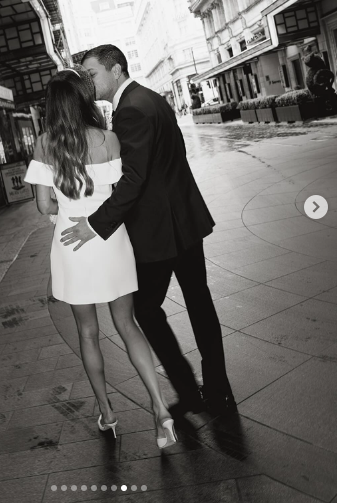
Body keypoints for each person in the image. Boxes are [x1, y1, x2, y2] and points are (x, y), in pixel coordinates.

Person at [60, 45, 237, 417]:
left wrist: (95, 224)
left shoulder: (130, 111)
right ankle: (218, 390)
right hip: (185, 221)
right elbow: (171, 157)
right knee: (200, 305)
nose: (89, 83)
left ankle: (188, 390)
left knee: (144, 309)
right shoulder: (152, 99)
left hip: (159, 232)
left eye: (92, 74)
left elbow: (134, 179)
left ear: (116, 70)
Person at [24, 65, 177, 449]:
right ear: (83, 99)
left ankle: (108, 412)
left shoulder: (45, 144)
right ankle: (160, 409)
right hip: (110, 239)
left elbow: (44, 206)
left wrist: (64, 206)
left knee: (88, 332)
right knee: (128, 325)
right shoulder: (108, 138)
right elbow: (119, 190)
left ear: (52, 106)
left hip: (73, 244)